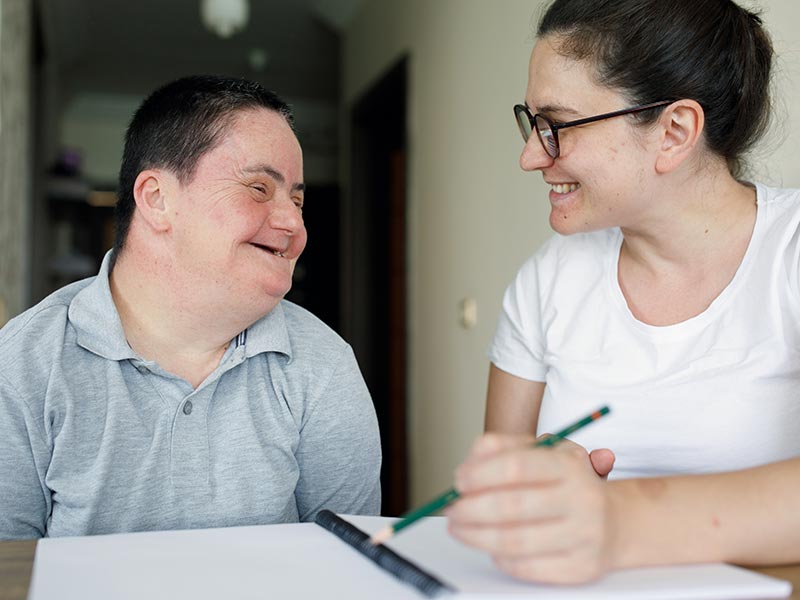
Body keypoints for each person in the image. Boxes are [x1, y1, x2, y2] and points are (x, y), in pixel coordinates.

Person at [446, 0, 800, 584]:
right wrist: (534, 492)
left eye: (556, 125)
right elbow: (500, 498)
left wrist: (615, 519)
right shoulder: (548, 279)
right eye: (531, 123)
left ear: (674, 131)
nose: (531, 156)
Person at [0, 75, 381, 540]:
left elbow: (351, 571)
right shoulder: (21, 367)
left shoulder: (323, 365)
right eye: (259, 188)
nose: (294, 226)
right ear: (157, 199)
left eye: (297, 200)